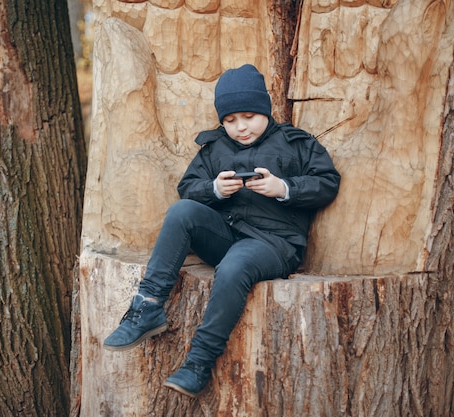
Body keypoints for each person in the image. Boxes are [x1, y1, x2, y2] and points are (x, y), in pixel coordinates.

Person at [103, 64, 340, 398]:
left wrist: (283, 188)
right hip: (225, 235)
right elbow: (188, 188)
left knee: (234, 266)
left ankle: (198, 362)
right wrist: (213, 189)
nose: (240, 128)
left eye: (248, 116)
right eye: (230, 121)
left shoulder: (295, 142)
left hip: (273, 243)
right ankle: (148, 305)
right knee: (182, 211)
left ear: (264, 110)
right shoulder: (215, 148)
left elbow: (328, 182)